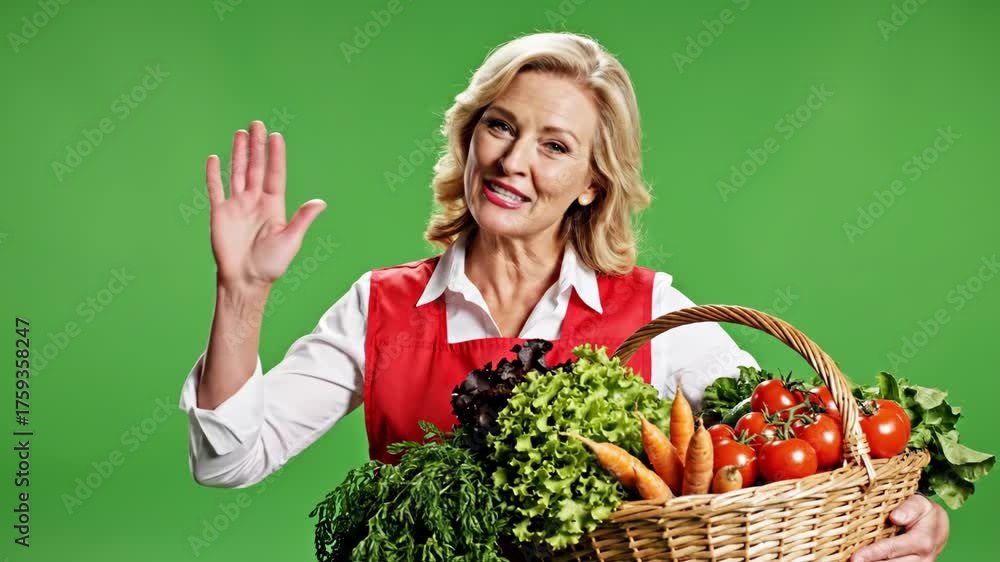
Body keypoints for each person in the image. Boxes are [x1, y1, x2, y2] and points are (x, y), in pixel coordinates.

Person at [178, 32, 948, 561]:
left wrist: (905, 512)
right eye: (500, 127)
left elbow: (788, 457)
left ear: (591, 183)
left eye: (555, 146)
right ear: (468, 137)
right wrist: (240, 292)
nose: (513, 161)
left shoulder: (652, 314)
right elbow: (231, 460)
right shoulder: (380, 307)